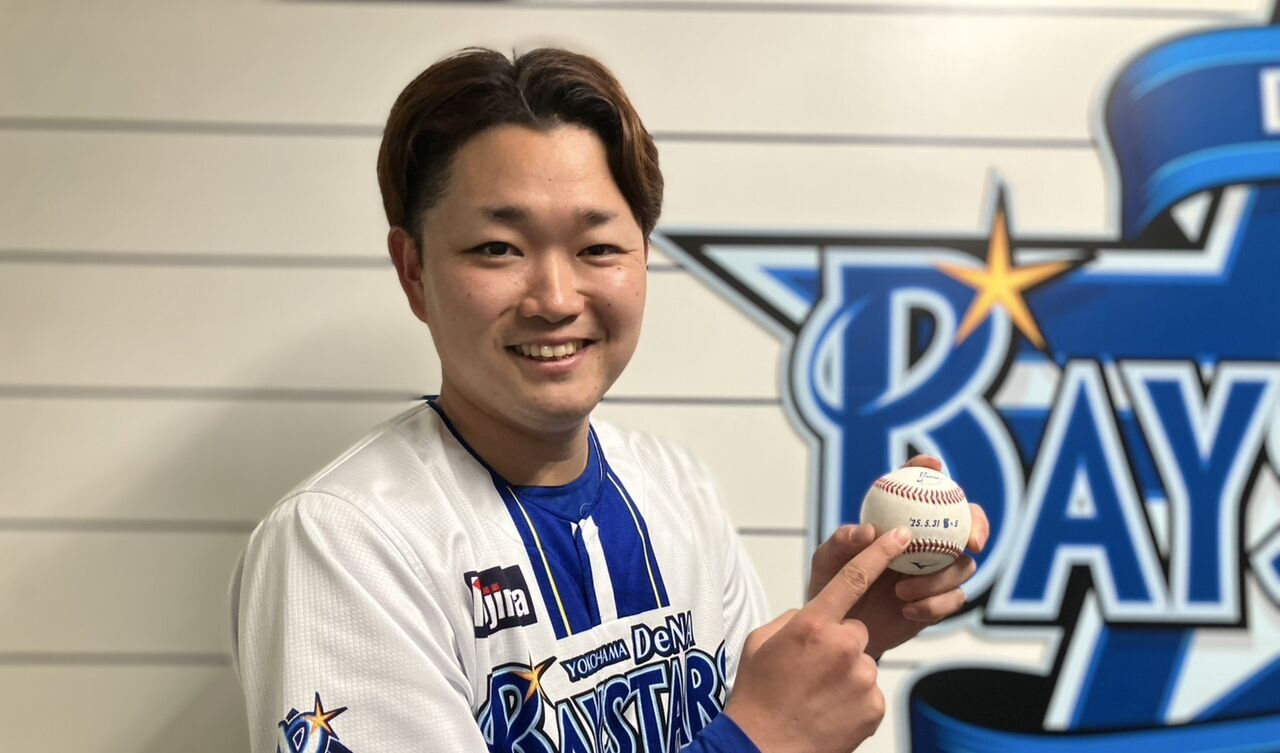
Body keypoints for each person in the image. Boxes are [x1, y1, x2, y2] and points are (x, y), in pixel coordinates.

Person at [229, 47, 989, 753]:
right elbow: (757, 734)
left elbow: (754, 721)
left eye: (597, 248)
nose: (556, 299)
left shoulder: (676, 488)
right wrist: (760, 739)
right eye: (498, 248)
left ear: (644, 259)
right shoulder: (344, 541)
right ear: (414, 270)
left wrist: (841, 640)